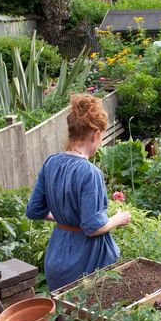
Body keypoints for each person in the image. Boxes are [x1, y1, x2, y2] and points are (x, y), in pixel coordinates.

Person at [26, 93, 131, 291]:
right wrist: (119, 218)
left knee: (65, 317)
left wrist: (66, 219)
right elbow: (93, 227)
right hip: (85, 263)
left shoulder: (51, 163)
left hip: (57, 258)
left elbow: (34, 210)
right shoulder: (90, 172)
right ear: (96, 134)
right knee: (93, 318)